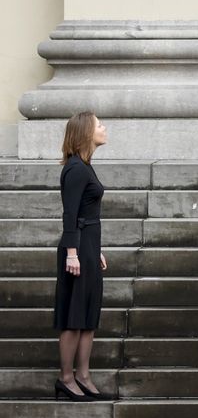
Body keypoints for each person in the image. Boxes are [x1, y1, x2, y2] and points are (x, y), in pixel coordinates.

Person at [54, 111, 112, 402]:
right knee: (73, 315)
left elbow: (87, 213)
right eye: (99, 125)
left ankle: (84, 376)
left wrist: (95, 249)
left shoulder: (86, 165)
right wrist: (73, 254)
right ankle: (66, 379)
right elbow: (70, 214)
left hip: (88, 245)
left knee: (88, 315)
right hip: (76, 249)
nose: (104, 128)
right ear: (86, 132)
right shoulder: (76, 168)